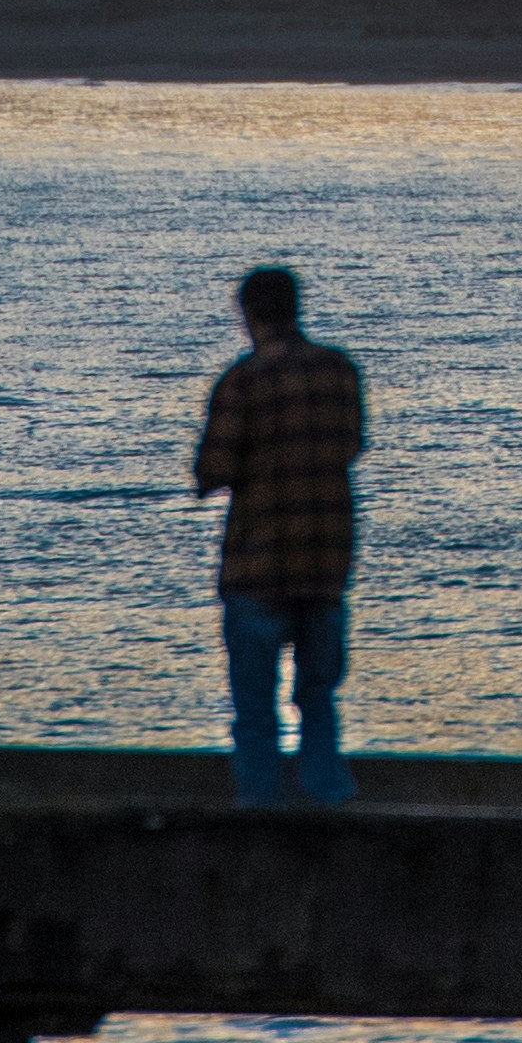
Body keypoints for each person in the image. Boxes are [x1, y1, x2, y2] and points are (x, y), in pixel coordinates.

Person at [193, 260, 365, 810]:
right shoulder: (340, 371)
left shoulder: (241, 382)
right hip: (324, 565)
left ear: (248, 315)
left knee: (254, 705)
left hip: (258, 566)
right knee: (318, 696)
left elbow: (210, 471)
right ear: (296, 308)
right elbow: (352, 444)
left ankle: (261, 808)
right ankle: (327, 795)